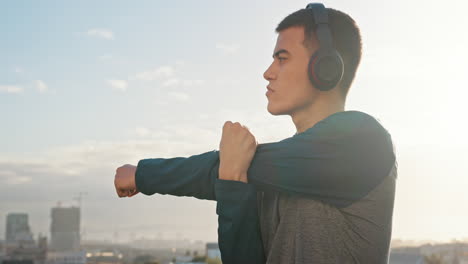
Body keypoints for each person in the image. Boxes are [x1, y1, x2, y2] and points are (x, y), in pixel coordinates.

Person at [114, 3, 397, 264]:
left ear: (326, 67)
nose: (267, 72)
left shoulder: (364, 141)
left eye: (282, 58)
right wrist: (233, 184)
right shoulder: (265, 178)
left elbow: (221, 167)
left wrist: (142, 173)